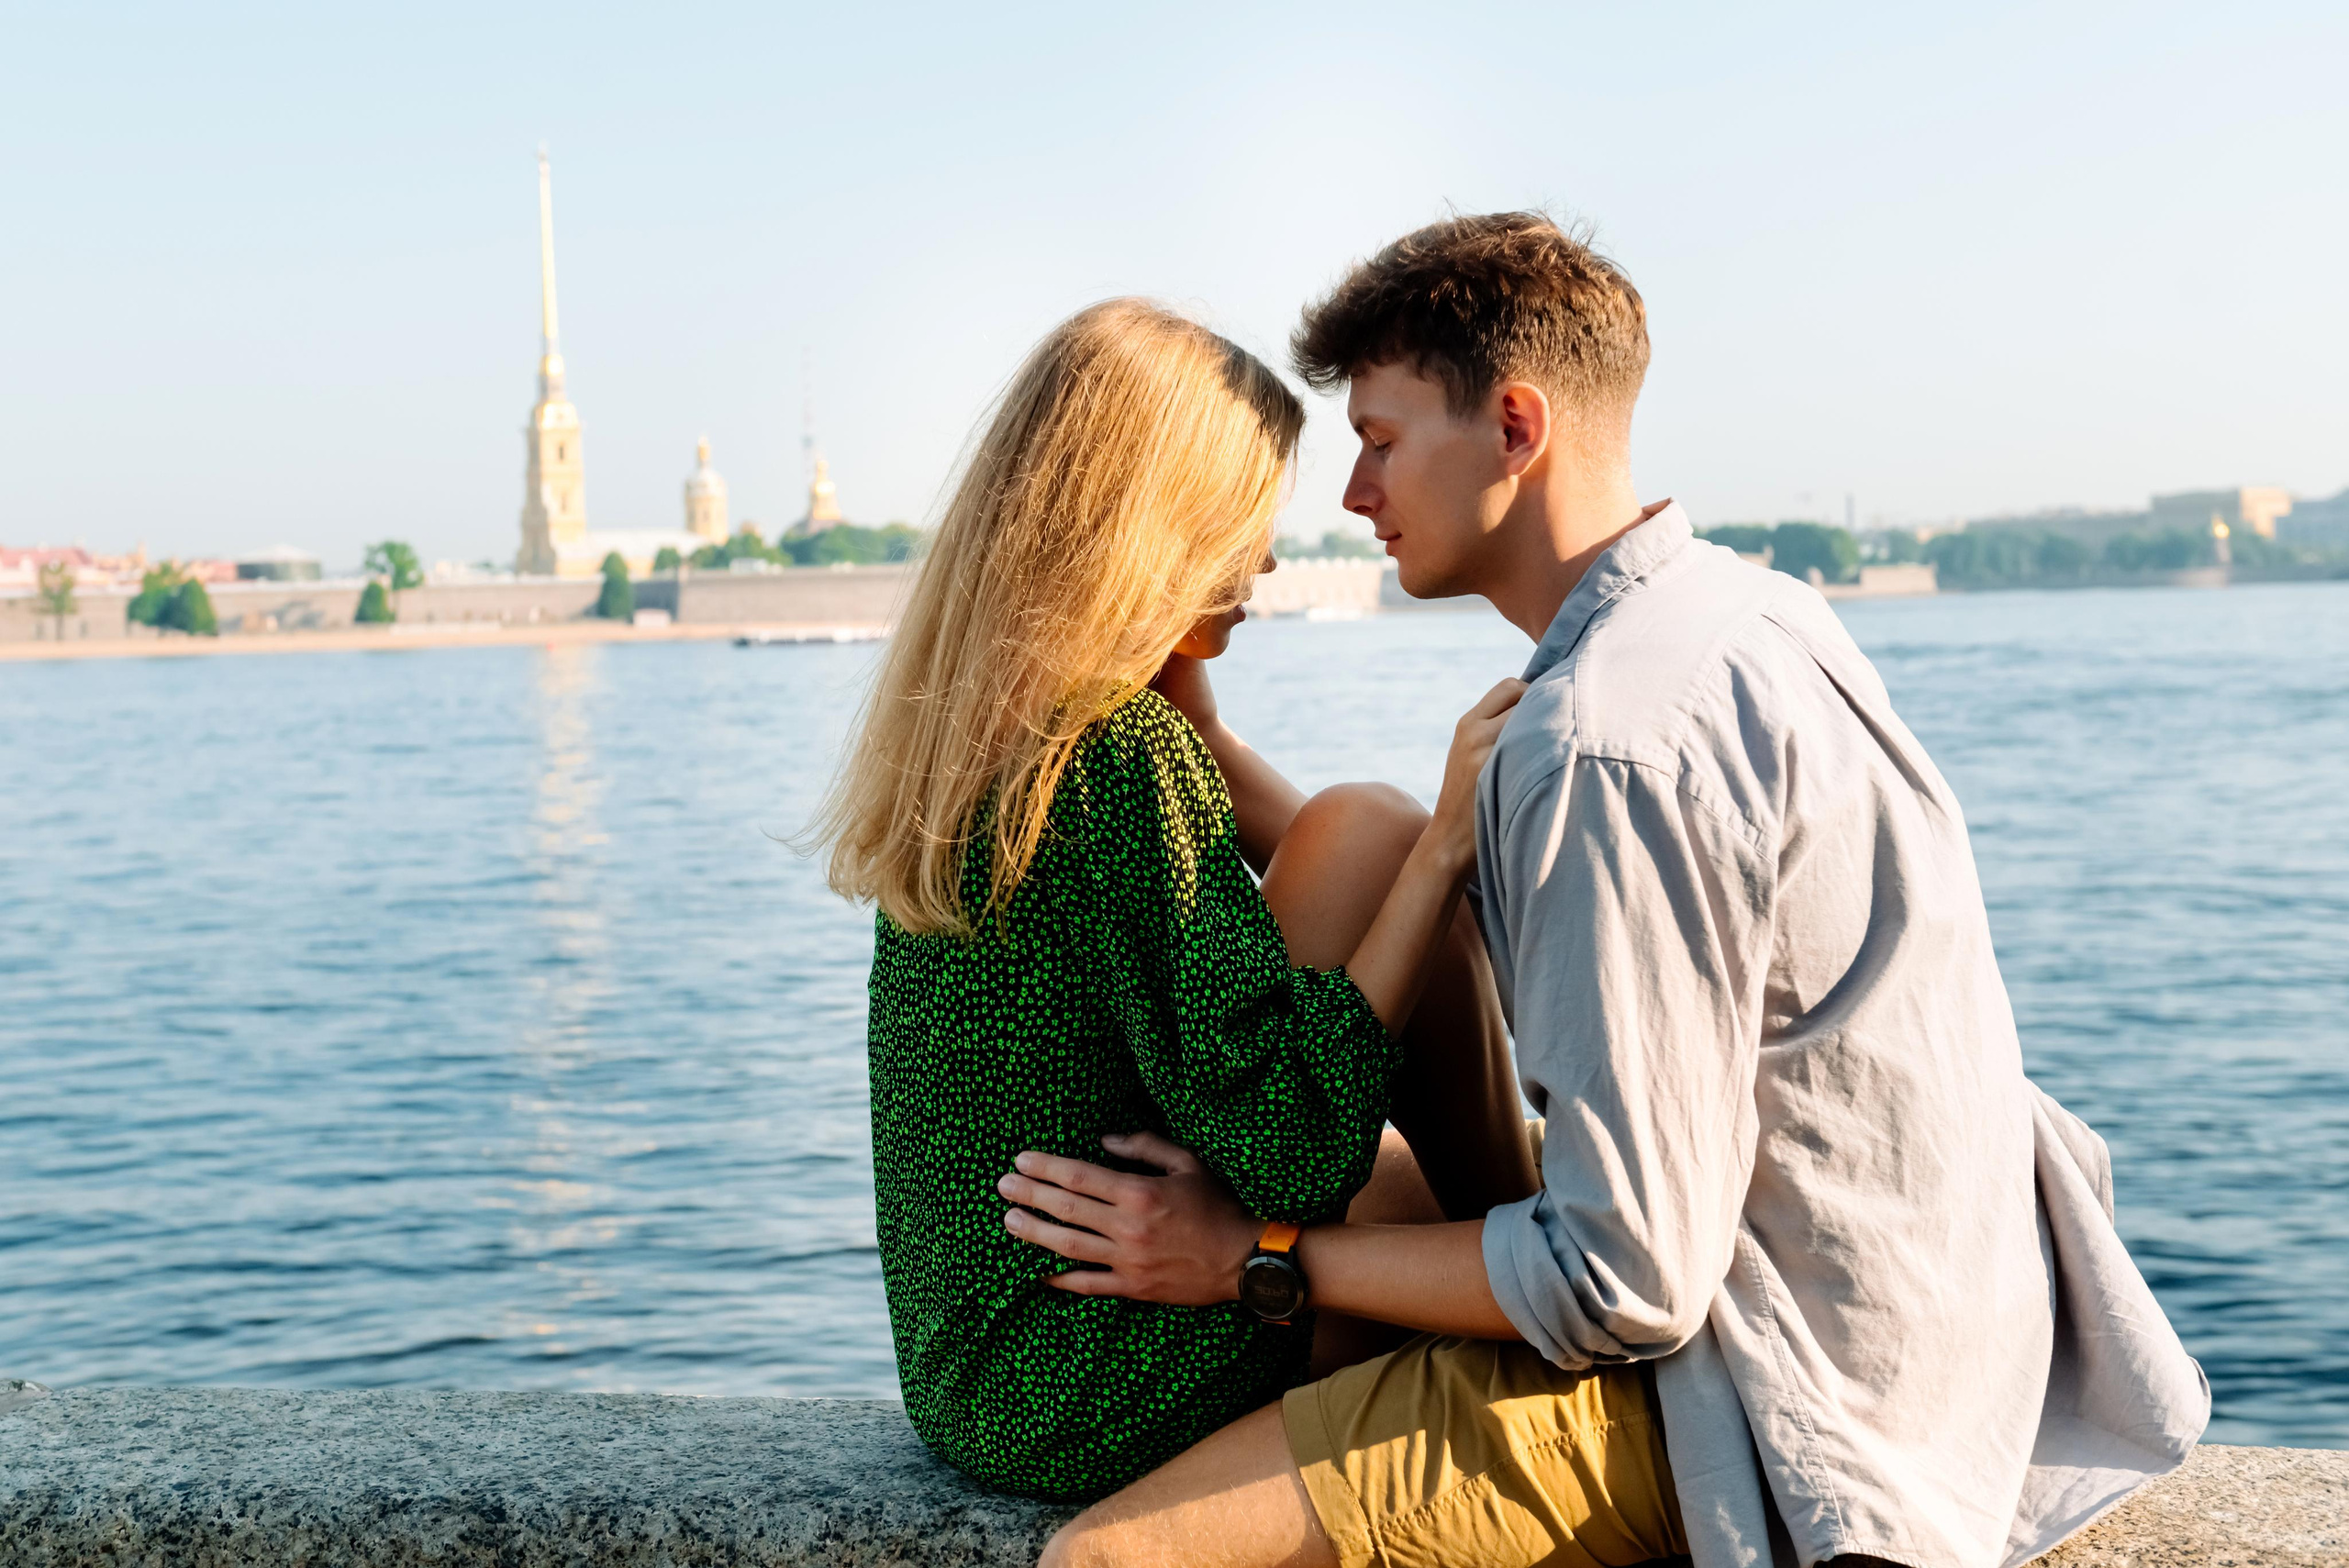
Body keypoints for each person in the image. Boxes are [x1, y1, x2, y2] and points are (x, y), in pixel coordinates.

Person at [999, 216, 2210, 1568]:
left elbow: (1619, 1279)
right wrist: (1213, 752)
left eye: (1383, 440)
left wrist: (1257, 1255)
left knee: (1108, 1559)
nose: (1351, 492)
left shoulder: (1600, 743)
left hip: (1770, 1394)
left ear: (1515, 427)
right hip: (1942, 1333)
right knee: (1393, 1172)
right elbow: (1478, 901)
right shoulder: (1755, 619)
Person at [807, 297, 1537, 1504]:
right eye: (1245, 522)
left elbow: (1278, 883)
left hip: (979, 1373)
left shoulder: (1013, 730)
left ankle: (1545, 1234)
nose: (1263, 561)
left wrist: (1205, 723)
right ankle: (1566, 1272)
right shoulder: (1114, 757)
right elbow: (1294, 1147)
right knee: (1379, 841)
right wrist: (1444, 847)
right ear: (1156, 524)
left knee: (1409, 1181)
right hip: (1087, 1369)